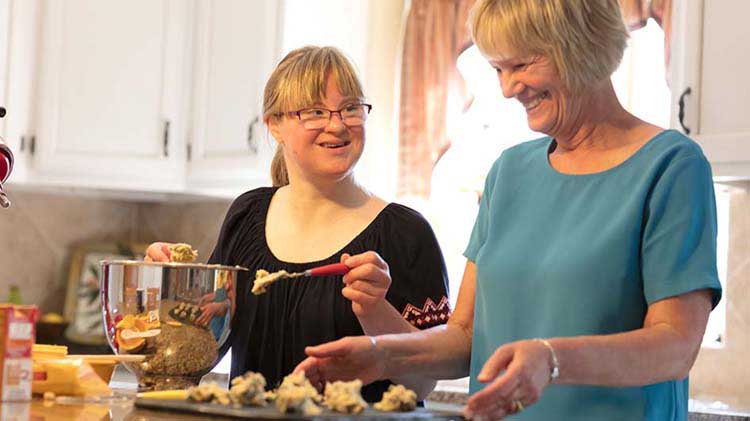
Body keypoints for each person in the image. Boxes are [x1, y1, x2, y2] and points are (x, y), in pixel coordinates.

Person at [294, 1, 722, 419]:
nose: (508, 88)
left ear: (582, 46)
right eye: (499, 69)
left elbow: (675, 346)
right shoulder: (509, 172)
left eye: (522, 66)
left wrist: (551, 359)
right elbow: (464, 339)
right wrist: (380, 355)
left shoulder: (670, 166)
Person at [145, 45, 450, 402]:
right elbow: (205, 346)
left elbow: (425, 383)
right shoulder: (247, 215)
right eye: (315, 112)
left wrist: (374, 310)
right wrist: (170, 287)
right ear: (274, 124)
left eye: (351, 108)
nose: (337, 125)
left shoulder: (406, 233)